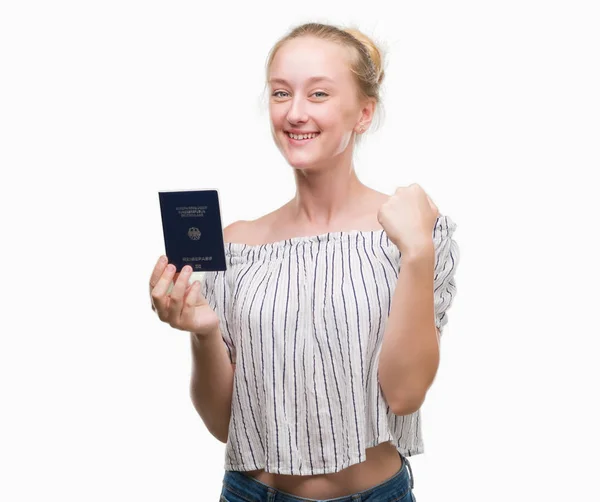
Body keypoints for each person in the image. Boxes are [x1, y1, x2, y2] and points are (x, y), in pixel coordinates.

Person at [149, 22, 459, 502]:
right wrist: (204, 331)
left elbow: (405, 395)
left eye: (318, 94)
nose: (294, 113)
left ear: (363, 113)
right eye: (280, 93)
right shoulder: (236, 246)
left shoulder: (412, 233)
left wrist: (418, 254)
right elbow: (222, 424)